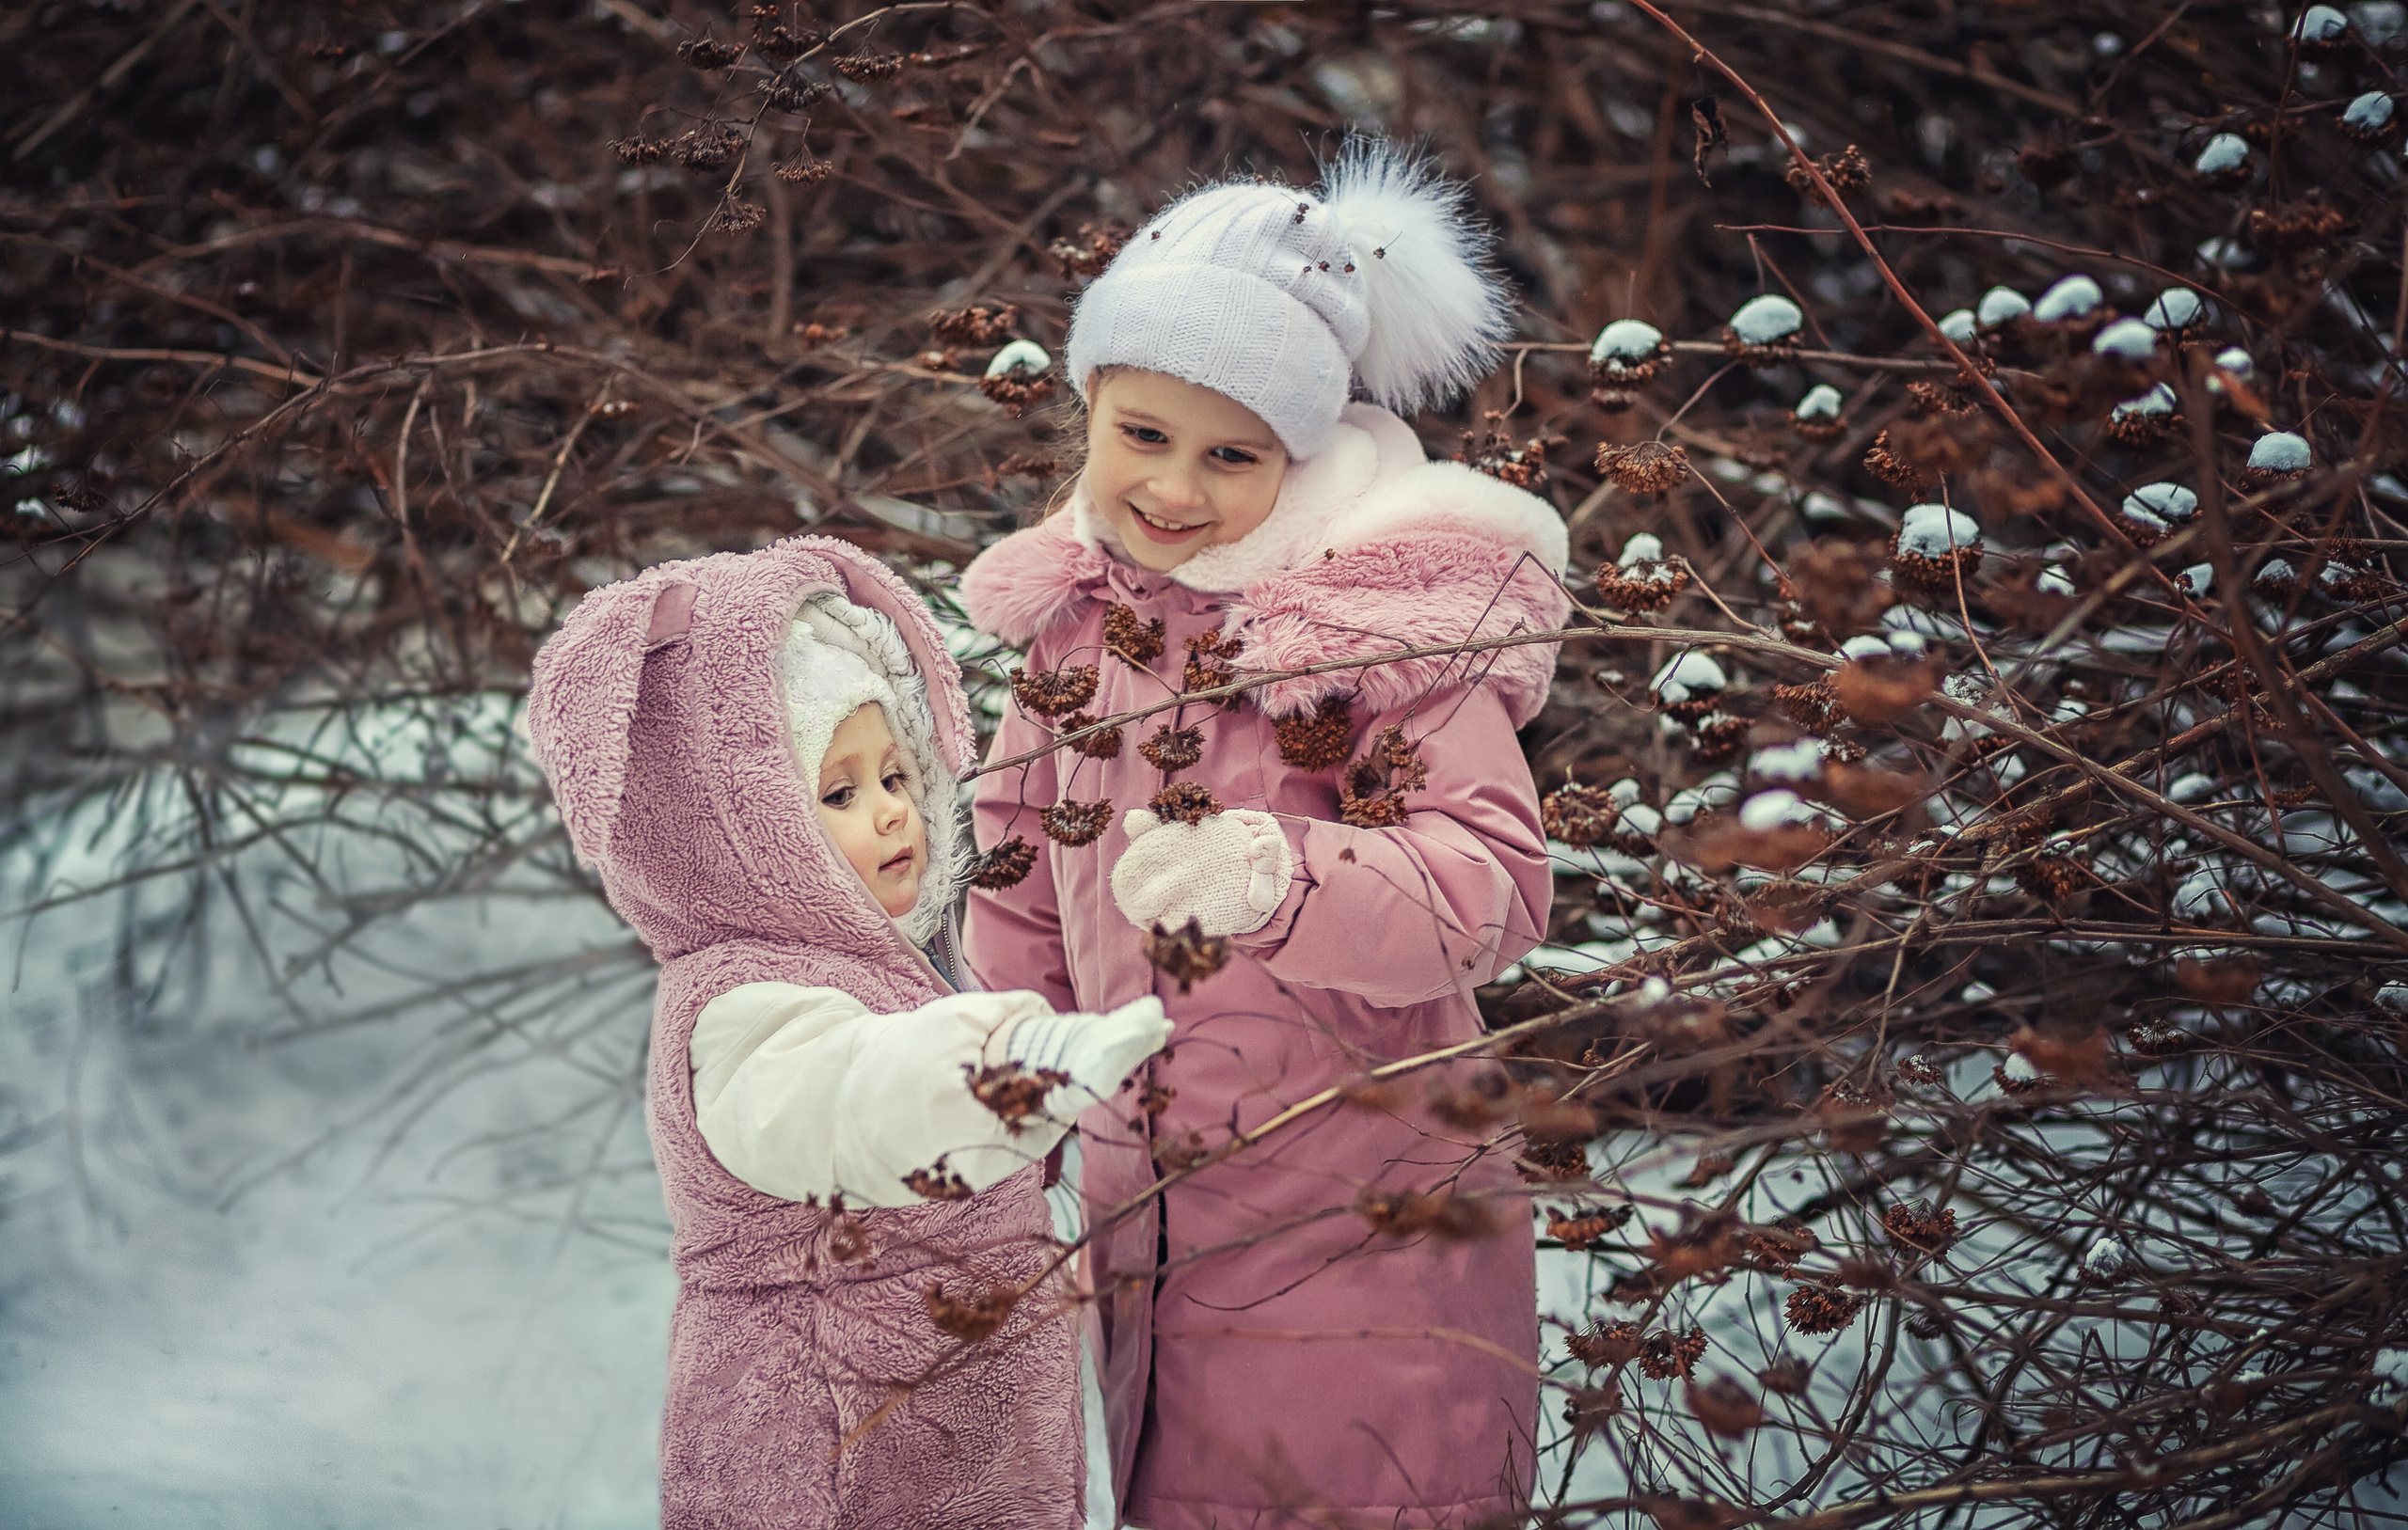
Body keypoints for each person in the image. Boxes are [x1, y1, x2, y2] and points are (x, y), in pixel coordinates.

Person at [958, 137, 1572, 1529]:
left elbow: (1493, 882)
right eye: (1143, 435)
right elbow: (1018, 871)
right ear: (1091, 410)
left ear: (1298, 452)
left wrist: (1278, 871)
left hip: (1363, 1223)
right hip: (1149, 1221)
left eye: (1231, 454)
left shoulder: (1372, 629)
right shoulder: (1080, 625)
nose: (1175, 487)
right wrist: (1008, 1099)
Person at [523, 536, 1167, 1530]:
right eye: (837, 793)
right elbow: (853, 1100)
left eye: (895, 775)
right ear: (735, 826)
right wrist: (1000, 1070)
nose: (892, 813)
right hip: (829, 1463)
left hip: (947, 1458)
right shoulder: (743, 1005)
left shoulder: (877, 973)